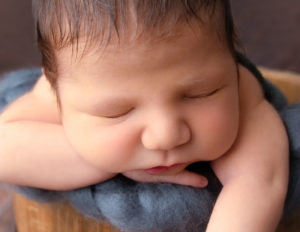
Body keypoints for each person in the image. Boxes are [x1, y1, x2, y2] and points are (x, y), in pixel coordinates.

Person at [0, 0, 289, 231]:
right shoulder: (65, 88)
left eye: (200, 94)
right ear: (55, 85)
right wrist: (107, 161)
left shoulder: (241, 89)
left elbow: (261, 181)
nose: (166, 135)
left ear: (230, 54)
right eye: (117, 112)